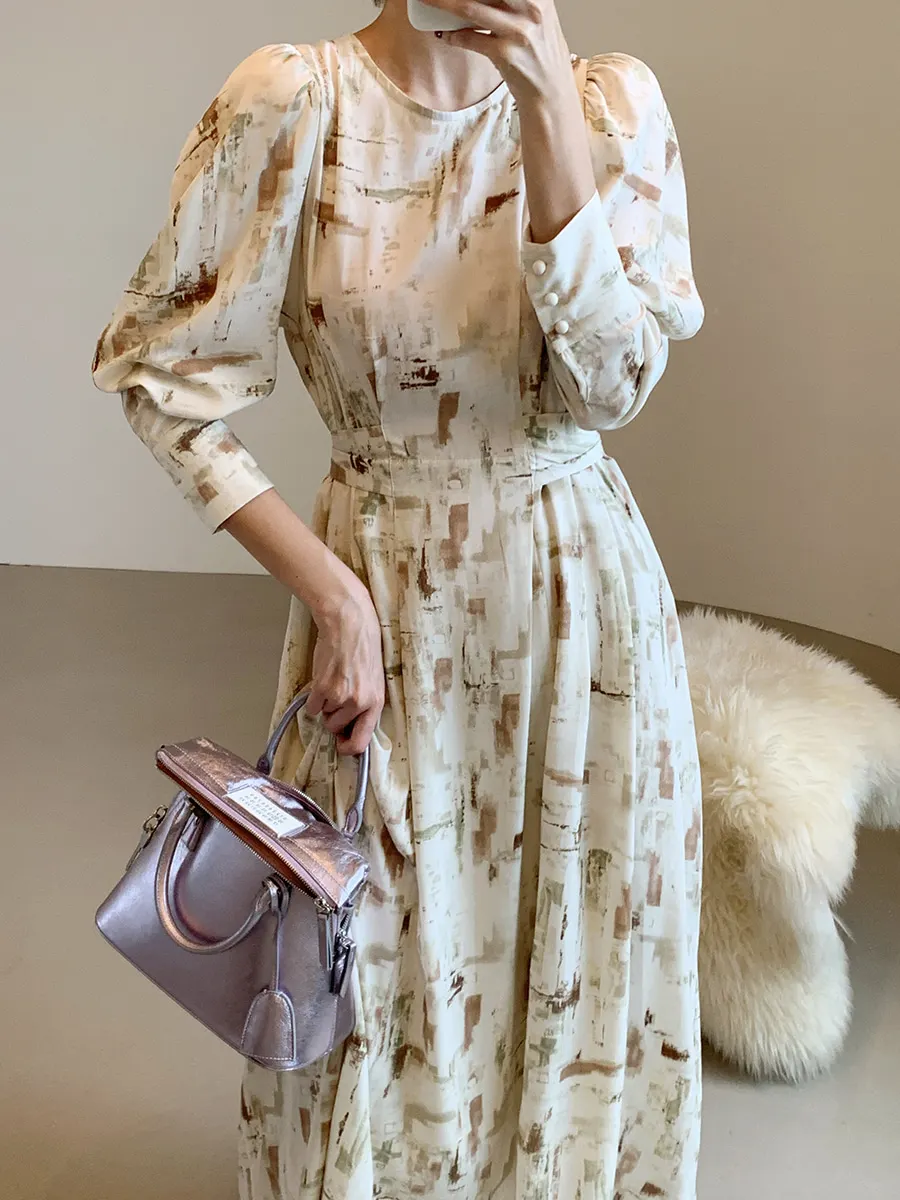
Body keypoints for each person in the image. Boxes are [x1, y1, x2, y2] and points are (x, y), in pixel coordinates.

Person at [91, 0, 706, 1195]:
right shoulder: (294, 102)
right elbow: (160, 376)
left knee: (576, 958)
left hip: (584, 614)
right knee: (374, 967)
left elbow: (614, 386)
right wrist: (333, 594)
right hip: (383, 597)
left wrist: (545, 108)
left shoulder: (607, 106)